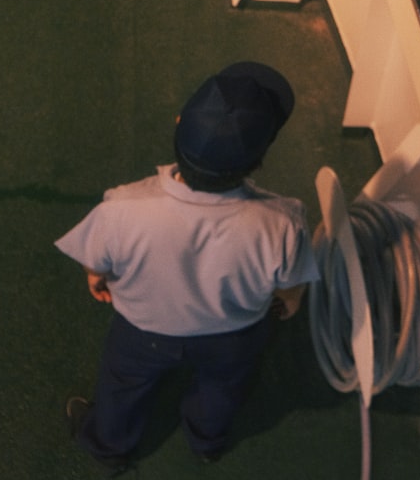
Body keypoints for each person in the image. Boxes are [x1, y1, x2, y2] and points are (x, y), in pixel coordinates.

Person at [56, 61, 317, 473]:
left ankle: (109, 446)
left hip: (142, 333)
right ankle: (207, 440)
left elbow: (96, 262)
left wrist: (96, 276)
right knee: (222, 388)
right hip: (233, 337)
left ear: (179, 122)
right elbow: (290, 290)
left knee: (123, 386)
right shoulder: (285, 221)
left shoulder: (122, 206)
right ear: (260, 157)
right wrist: (288, 302)